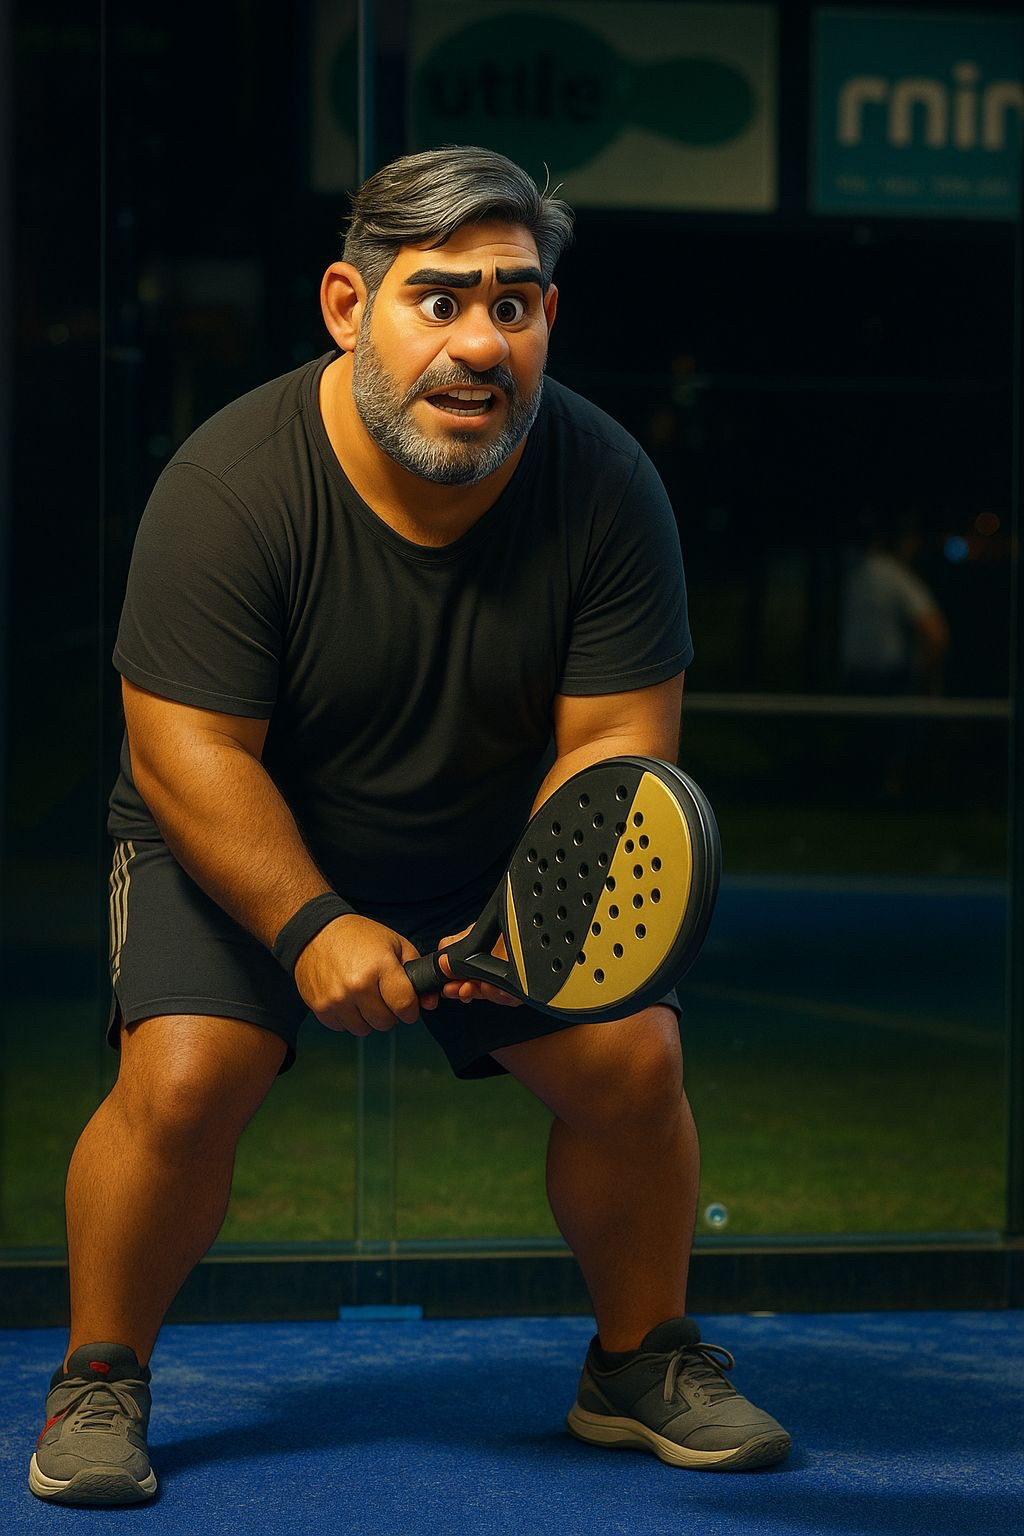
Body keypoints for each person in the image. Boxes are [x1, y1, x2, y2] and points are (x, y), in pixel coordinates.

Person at [29, 146, 790, 1506]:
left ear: (549, 316)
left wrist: (537, 916)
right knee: (188, 1076)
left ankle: (637, 1362)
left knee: (632, 1062)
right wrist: (311, 924)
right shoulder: (230, 483)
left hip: (493, 851)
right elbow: (185, 750)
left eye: (515, 303)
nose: (480, 344)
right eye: (440, 300)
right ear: (347, 307)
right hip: (238, 838)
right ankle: (100, 1377)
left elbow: (615, 751)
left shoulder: (608, 485)